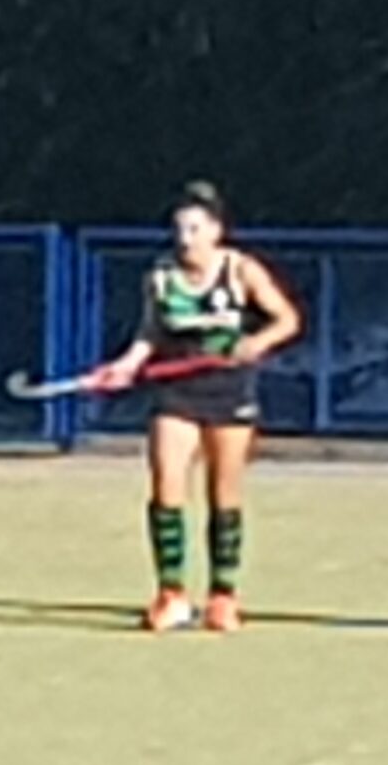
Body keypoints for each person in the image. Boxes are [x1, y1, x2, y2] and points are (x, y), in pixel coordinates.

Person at [92, 180, 303, 632]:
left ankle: (223, 596)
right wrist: (125, 366)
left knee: (223, 494)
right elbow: (150, 333)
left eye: (194, 229)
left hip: (229, 391)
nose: (185, 239)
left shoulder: (241, 270)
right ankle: (171, 595)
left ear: (215, 231)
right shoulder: (160, 276)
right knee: (166, 486)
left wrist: (256, 343)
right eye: (179, 229)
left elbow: (287, 320)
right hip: (177, 391)